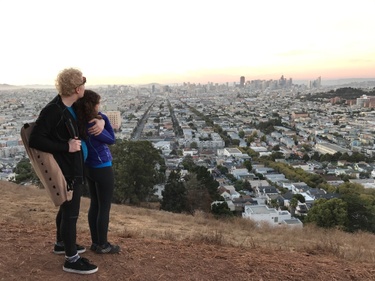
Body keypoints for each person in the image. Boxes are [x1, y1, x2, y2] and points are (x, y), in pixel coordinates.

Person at [29, 68, 101, 274]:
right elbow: (36, 139)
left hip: (74, 167)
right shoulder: (54, 110)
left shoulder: (70, 105)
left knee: (66, 209)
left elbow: (95, 111)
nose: (85, 88)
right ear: (77, 88)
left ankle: (62, 244)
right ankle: (71, 259)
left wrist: (101, 120)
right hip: (67, 170)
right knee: (71, 213)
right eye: (83, 84)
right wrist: (66, 147)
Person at [75, 89, 121, 254]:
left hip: (89, 167)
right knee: (104, 207)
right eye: (98, 104)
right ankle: (103, 245)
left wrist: (100, 117)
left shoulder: (79, 121)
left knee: (94, 204)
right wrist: (104, 119)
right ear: (92, 106)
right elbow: (111, 139)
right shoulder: (95, 125)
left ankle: (95, 242)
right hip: (102, 167)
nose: (99, 107)